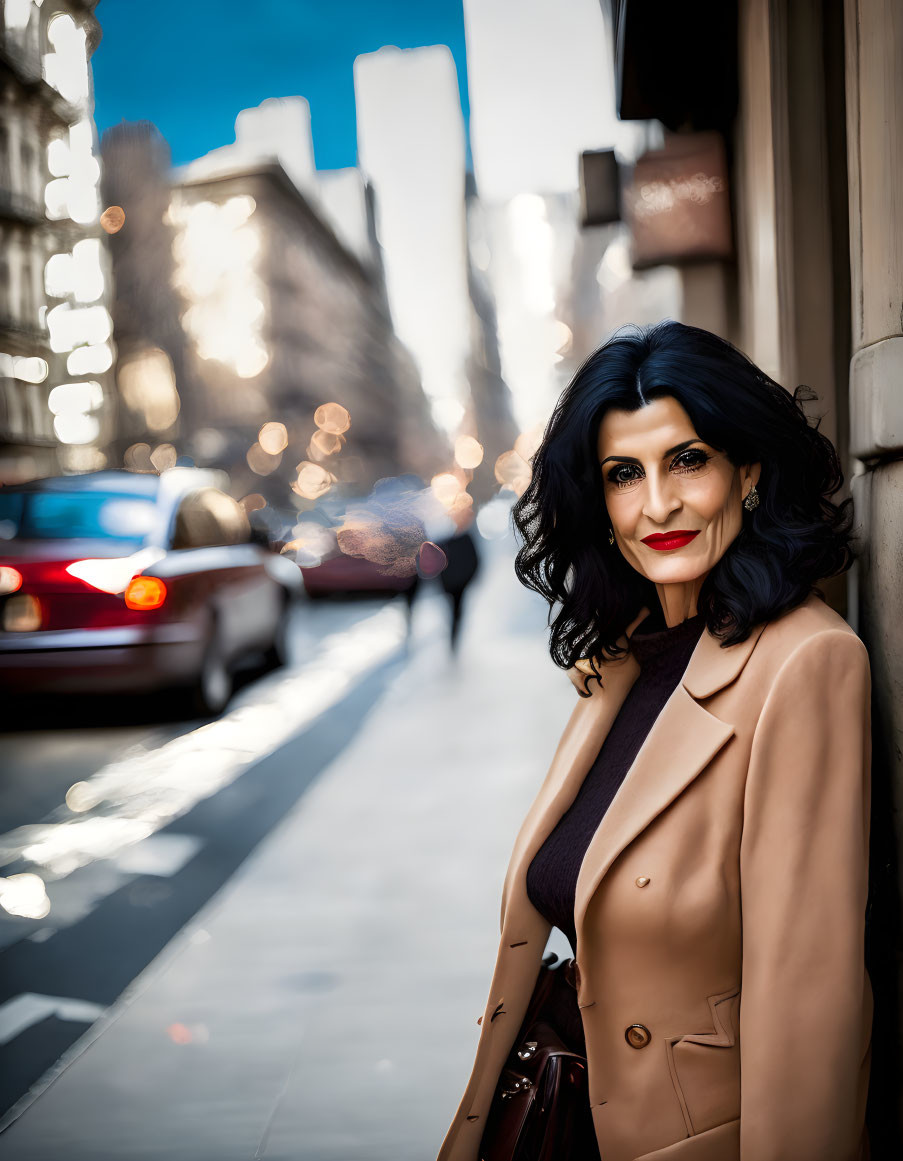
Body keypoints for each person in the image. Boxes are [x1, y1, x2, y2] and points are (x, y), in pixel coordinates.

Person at [437, 320, 872, 1161]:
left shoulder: (806, 664)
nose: (657, 505)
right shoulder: (626, 658)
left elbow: (806, 999)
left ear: (746, 472)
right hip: (567, 1118)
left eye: (687, 460)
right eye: (622, 475)